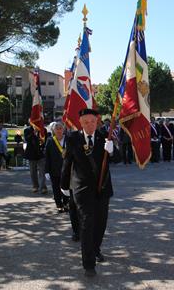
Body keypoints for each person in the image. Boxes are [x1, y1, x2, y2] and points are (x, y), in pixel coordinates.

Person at [60, 108, 114, 277]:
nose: (90, 125)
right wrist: (63, 185)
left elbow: (118, 158)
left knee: (101, 223)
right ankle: (88, 264)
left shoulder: (105, 136)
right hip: (82, 189)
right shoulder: (73, 138)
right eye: (86, 122)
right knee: (87, 223)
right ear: (80, 123)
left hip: (102, 187)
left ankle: (95, 248)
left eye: (92, 122)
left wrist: (112, 150)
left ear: (97, 121)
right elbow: (67, 162)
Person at [45, 122, 69, 213]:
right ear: (53, 131)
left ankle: (66, 203)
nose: (59, 130)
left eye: (60, 128)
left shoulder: (68, 139)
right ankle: (59, 205)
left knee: (66, 188)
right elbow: (47, 156)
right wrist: (46, 171)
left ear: (63, 129)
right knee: (56, 188)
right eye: (57, 129)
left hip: (67, 169)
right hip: (54, 170)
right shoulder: (50, 140)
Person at [24, 122, 47, 193]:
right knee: (33, 172)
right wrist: (34, 132)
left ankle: (43, 187)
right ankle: (35, 186)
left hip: (41, 154)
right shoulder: (27, 130)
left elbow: (46, 141)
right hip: (31, 154)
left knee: (42, 172)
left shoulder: (43, 130)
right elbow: (27, 139)